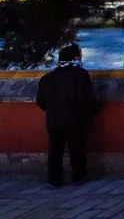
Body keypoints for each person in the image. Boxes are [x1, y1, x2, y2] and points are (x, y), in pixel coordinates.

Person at [36, 43, 98, 186]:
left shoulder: (47, 78)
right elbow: (86, 99)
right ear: (76, 57)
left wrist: (52, 110)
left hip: (53, 119)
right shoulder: (80, 75)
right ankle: (78, 176)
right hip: (74, 118)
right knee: (77, 148)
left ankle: (54, 179)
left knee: (55, 150)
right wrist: (91, 111)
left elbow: (40, 101)